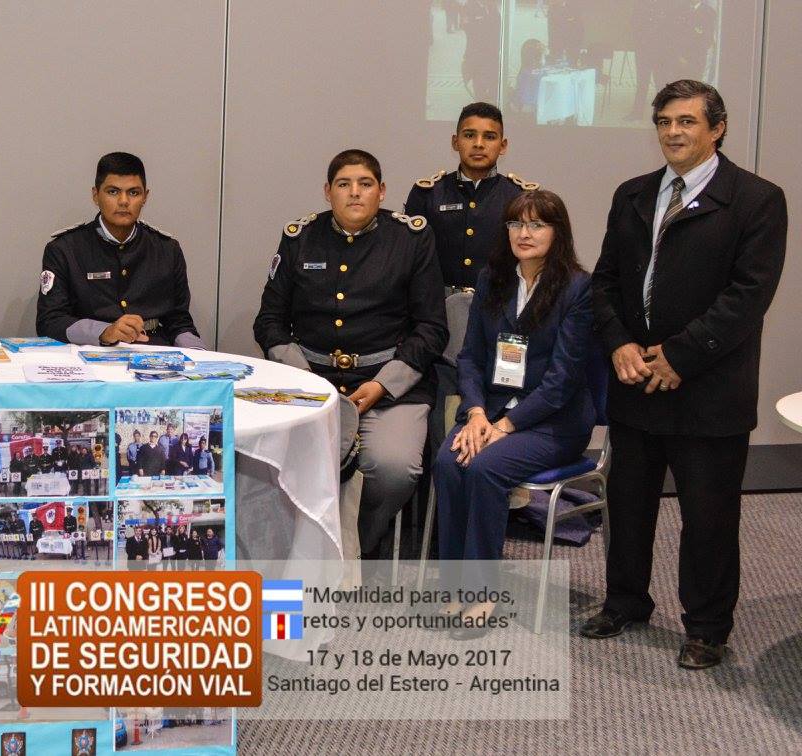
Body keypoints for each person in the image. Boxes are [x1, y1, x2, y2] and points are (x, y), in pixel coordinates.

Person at [585, 80, 787, 670]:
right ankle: (625, 601)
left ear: (717, 129)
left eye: (687, 122)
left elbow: (748, 297)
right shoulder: (632, 194)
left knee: (709, 517)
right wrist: (619, 343)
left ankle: (706, 627)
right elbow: (605, 282)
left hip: (708, 389)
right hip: (635, 382)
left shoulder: (756, 199)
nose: (673, 132)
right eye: (664, 122)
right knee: (628, 506)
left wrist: (680, 356)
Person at [255, 149, 448, 560]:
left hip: (387, 385)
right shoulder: (300, 238)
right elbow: (269, 322)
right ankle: (304, 550)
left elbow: (432, 328)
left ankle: (351, 549)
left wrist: (384, 384)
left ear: (382, 191)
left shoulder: (411, 239)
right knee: (269, 462)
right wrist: (302, 377)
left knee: (394, 469)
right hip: (311, 381)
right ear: (328, 192)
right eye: (344, 184)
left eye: (365, 184)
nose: (355, 193)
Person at [432, 189, 596, 639]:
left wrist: (505, 426)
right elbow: (470, 357)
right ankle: (453, 586)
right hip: (491, 411)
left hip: (552, 422)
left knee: (485, 468)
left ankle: (482, 592)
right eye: (516, 224)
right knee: (448, 460)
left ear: (557, 232)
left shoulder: (577, 288)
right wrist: (476, 414)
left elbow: (562, 380)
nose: (525, 233)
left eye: (537, 224)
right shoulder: (493, 279)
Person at [36, 152, 207, 348]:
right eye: (113, 192)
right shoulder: (64, 249)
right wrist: (104, 332)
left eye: (134, 193)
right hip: (90, 353)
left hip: (154, 351)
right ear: (95, 195)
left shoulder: (167, 250)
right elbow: (50, 322)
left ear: (145, 197)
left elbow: (179, 321)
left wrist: (198, 353)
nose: (124, 201)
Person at [405, 103, 535, 292]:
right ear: (455, 142)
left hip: (499, 302)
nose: (479, 144)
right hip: (438, 304)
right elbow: (409, 260)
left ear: (503, 145)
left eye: (489, 137)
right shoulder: (427, 194)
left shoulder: (521, 197)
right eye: (469, 135)